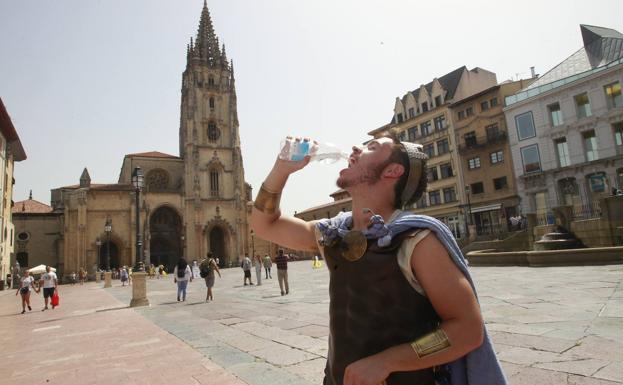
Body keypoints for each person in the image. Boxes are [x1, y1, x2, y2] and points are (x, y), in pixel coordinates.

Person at [250, 135, 507, 385]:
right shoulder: (335, 234)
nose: (355, 148)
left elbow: (468, 329)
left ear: (392, 171)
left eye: (371, 147)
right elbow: (265, 226)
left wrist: (387, 362)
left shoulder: (416, 240)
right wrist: (281, 169)